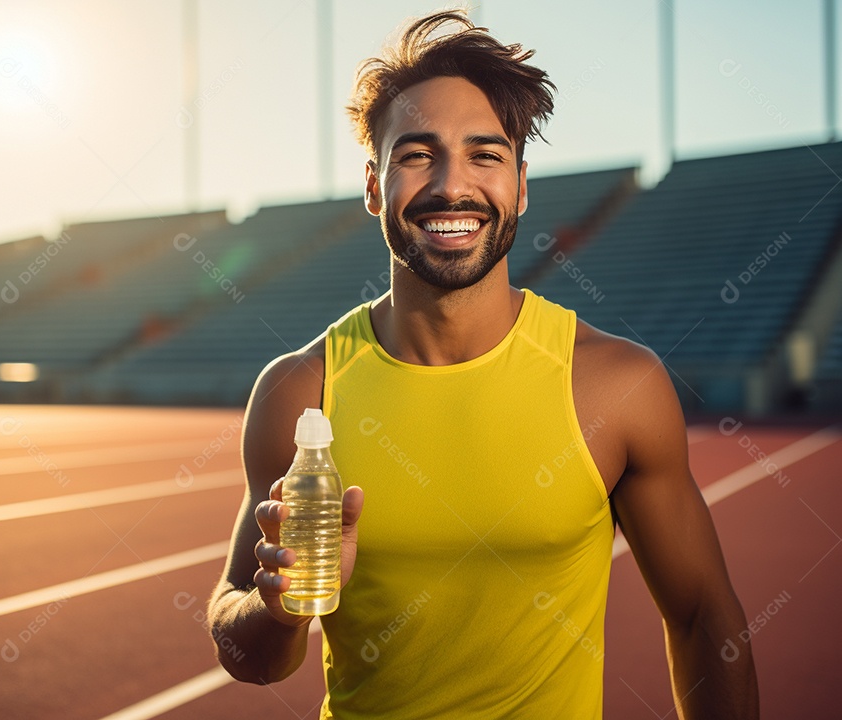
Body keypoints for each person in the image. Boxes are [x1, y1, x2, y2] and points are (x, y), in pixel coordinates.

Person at [207, 10, 759, 719]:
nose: (451, 186)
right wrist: (279, 611)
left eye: (485, 155)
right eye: (417, 154)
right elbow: (250, 656)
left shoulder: (616, 387)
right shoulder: (300, 392)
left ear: (521, 186)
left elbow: (705, 618)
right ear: (375, 187)